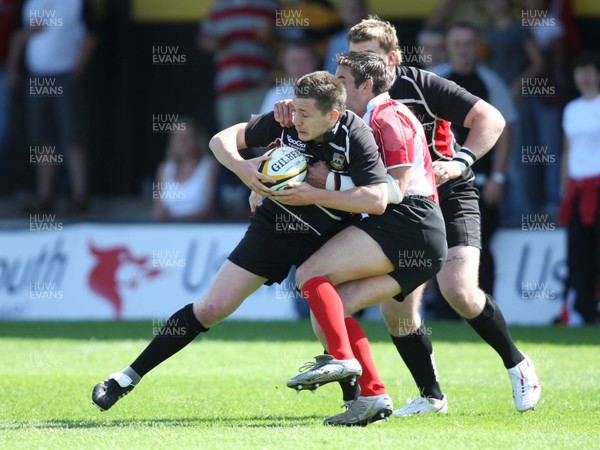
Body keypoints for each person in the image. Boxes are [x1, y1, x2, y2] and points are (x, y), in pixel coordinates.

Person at [275, 16, 540, 415]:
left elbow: (493, 119)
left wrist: (461, 159)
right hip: (396, 205)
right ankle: (427, 396)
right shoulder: (349, 97)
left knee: (459, 291)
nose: (355, 67)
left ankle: (518, 365)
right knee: (396, 311)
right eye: (350, 58)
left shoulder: (418, 87)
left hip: (443, 195)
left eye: (366, 58)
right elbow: (317, 118)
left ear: (391, 59)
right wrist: (291, 110)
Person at [91, 71, 391, 413]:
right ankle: (126, 377)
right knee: (211, 309)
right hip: (274, 227)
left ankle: (357, 403)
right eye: (295, 110)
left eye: (306, 115)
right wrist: (244, 169)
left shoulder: (356, 135)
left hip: (330, 239)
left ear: (333, 115)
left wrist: (315, 192)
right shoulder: (284, 118)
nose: (297, 120)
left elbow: (376, 200)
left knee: (328, 321)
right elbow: (220, 140)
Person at [281, 51, 447, 426]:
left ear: (366, 85)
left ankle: (343, 360)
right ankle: (372, 396)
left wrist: (324, 186)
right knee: (330, 311)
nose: (335, 86)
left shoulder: (388, 116)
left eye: (342, 80)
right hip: (412, 232)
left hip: (411, 223)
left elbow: (396, 191)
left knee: (309, 275)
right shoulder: (366, 119)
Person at [429, 21, 517, 296]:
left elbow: (505, 131)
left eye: (469, 44)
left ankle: (482, 305)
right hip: (436, 180)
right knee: (436, 244)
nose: (464, 50)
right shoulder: (433, 79)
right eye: (457, 44)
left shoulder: (491, 82)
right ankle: (443, 309)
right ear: (448, 47)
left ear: (477, 48)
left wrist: (498, 178)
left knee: (477, 245)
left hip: (480, 181)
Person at [7, 0, 97, 213]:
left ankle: (79, 196)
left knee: (73, 136)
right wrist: (13, 67)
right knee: (43, 140)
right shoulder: (29, 3)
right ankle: (45, 196)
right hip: (37, 77)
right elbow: (17, 37)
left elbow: (92, 36)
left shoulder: (78, 3)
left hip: (65, 76)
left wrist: (78, 69)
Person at [197, 0, 279, 219]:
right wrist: (215, 43)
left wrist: (268, 39)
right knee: (230, 146)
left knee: (264, 145)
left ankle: (270, 200)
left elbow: (283, 44)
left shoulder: (269, 5)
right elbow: (203, 41)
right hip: (228, 87)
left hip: (259, 85)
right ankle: (236, 203)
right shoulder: (220, 7)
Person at [559, 52, 600, 325]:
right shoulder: (571, 109)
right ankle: (582, 310)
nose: (584, 77)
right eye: (580, 71)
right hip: (577, 189)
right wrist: (564, 188)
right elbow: (567, 150)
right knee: (578, 253)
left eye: (590, 71)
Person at [152, 118, 218, 222]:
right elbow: (158, 210)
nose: (182, 141)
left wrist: (180, 221)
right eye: (178, 137)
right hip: (168, 230)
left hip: (200, 230)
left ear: (197, 139)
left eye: (187, 137)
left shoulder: (209, 165)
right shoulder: (164, 168)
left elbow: (209, 207)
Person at [259, 39, 321, 114]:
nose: (298, 67)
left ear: (315, 62)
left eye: (304, 61)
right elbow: (265, 125)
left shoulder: (330, 93)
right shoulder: (274, 94)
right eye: (293, 62)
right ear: (284, 64)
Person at [322, 0, 368, 74]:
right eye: (348, 8)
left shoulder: (375, 39)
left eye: (356, 8)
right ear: (341, 13)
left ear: (364, 11)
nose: (352, 12)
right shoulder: (335, 41)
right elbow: (330, 72)